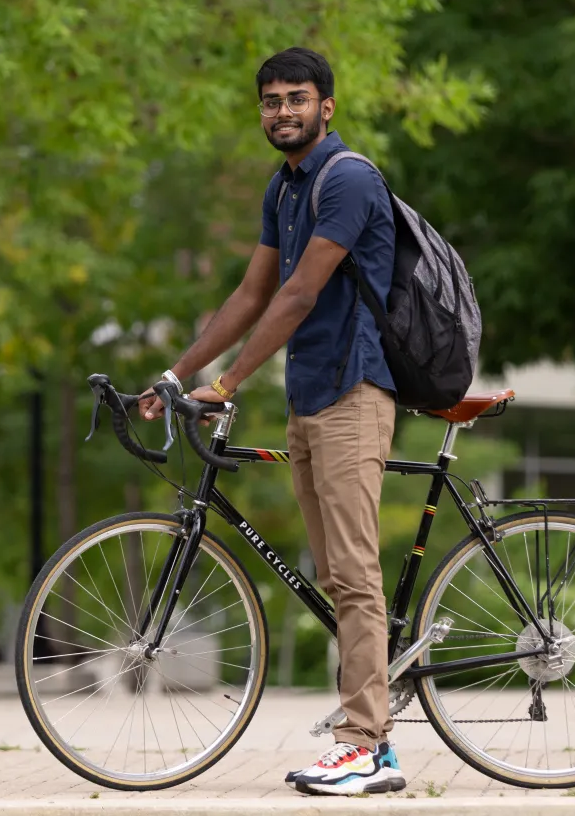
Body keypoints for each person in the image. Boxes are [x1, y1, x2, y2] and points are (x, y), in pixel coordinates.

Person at [140, 47, 402, 796]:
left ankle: (366, 746)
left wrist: (229, 382)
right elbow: (252, 294)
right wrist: (179, 373)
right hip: (309, 397)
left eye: (296, 97)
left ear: (328, 105)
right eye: (269, 100)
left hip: (355, 391)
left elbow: (299, 297)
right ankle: (371, 719)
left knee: (354, 576)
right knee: (336, 574)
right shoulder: (283, 189)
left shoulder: (345, 178)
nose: (281, 110)